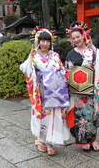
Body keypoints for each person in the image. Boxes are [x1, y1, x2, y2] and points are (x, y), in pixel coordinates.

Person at [20, 28, 70, 156]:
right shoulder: (35, 56)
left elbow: (62, 70)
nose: (45, 44)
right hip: (41, 92)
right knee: (43, 116)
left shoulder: (55, 56)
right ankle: (42, 140)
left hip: (55, 92)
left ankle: (51, 142)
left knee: (54, 115)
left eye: (47, 41)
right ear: (38, 41)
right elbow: (25, 69)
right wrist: (31, 56)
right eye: (42, 41)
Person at [66, 21, 99, 152]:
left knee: (93, 113)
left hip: (93, 86)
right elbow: (67, 70)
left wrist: (92, 45)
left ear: (84, 36)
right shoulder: (71, 54)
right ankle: (84, 141)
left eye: (78, 37)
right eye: (73, 38)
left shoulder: (92, 51)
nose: (76, 39)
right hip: (78, 89)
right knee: (81, 115)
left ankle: (93, 139)